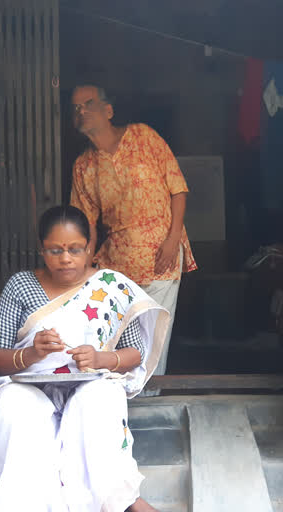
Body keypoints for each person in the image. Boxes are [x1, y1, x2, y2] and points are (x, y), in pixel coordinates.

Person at [0, 205, 168, 512]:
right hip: (30, 386)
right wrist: (31, 353)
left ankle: (121, 501)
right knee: (16, 410)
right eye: (55, 250)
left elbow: (135, 353)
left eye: (74, 249)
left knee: (98, 400)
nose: (65, 258)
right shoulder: (21, 285)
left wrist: (100, 358)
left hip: (90, 382)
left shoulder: (111, 286)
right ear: (42, 250)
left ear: (90, 248)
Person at [69, 85, 196, 379]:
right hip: (118, 263)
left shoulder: (143, 136)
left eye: (88, 104)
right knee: (120, 336)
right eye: (76, 108)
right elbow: (86, 225)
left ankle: (153, 396)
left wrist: (173, 239)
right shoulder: (83, 166)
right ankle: (123, 398)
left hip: (161, 256)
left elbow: (178, 190)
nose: (82, 111)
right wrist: (81, 267)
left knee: (155, 334)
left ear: (108, 110)